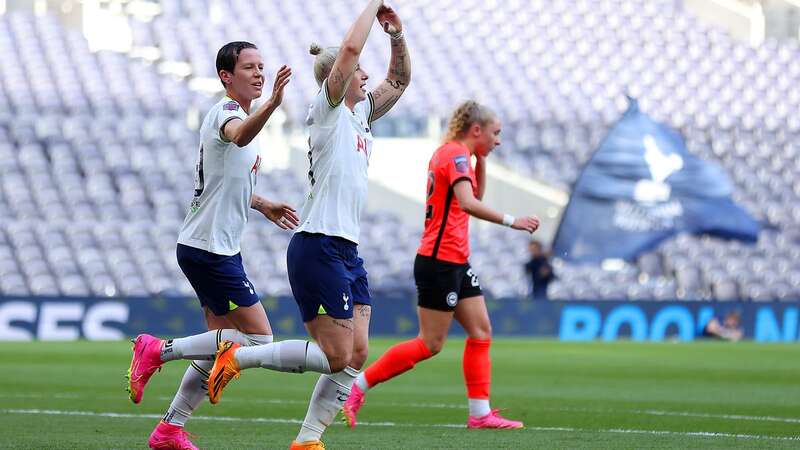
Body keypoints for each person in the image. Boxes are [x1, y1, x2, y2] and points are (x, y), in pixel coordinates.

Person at [205, 2, 410, 449]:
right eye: (359, 71)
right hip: (317, 243)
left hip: (346, 249)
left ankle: (308, 440)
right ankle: (240, 357)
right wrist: (373, 6)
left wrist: (396, 34)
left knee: (355, 355)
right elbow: (352, 47)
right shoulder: (330, 107)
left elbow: (399, 81)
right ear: (342, 74)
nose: (366, 77)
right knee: (336, 355)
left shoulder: (361, 115)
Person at [125, 41, 314, 450]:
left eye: (262, 66)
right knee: (260, 340)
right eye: (250, 67)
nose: (260, 74)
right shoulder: (227, 113)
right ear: (227, 76)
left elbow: (224, 181)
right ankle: (157, 349)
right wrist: (275, 103)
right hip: (210, 249)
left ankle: (169, 430)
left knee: (219, 346)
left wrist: (261, 203)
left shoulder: (241, 117)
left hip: (210, 245)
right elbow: (241, 137)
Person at [342, 101, 540, 430]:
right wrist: (512, 221)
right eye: (495, 133)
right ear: (476, 130)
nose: (498, 140)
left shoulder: (455, 154)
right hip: (439, 261)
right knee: (429, 344)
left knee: (481, 331)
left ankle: (480, 414)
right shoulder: (455, 155)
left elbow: (473, 196)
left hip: (456, 260)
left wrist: (482, 160)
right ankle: (357, 388)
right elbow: (468, 203)